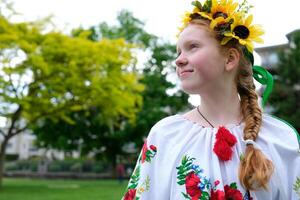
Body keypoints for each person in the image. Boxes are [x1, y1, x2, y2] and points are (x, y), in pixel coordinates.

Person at [122, 0, 300, 199]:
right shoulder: (165, 136)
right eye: (178, 51)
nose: (178, 60)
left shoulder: (280, 138)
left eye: (193, 47)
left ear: (230, 59)